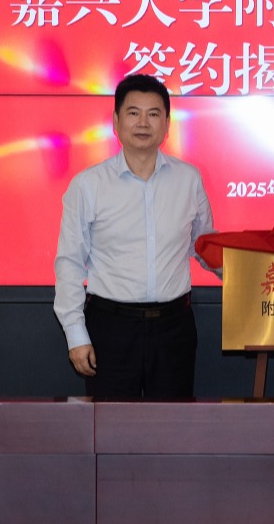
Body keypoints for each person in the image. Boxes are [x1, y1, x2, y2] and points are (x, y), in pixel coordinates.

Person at [54, 74, 215, 398]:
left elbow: (206, 246)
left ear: (167, 124)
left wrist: (255, 271)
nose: (143, 123)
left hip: (174, 328)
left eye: (153, 113)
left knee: (172, 425)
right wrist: (75, 334)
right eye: (133, 113)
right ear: (116, 122)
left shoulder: (188, 179)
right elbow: (70, 263)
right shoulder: (88, 185)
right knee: (111, 426)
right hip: (110, 329)